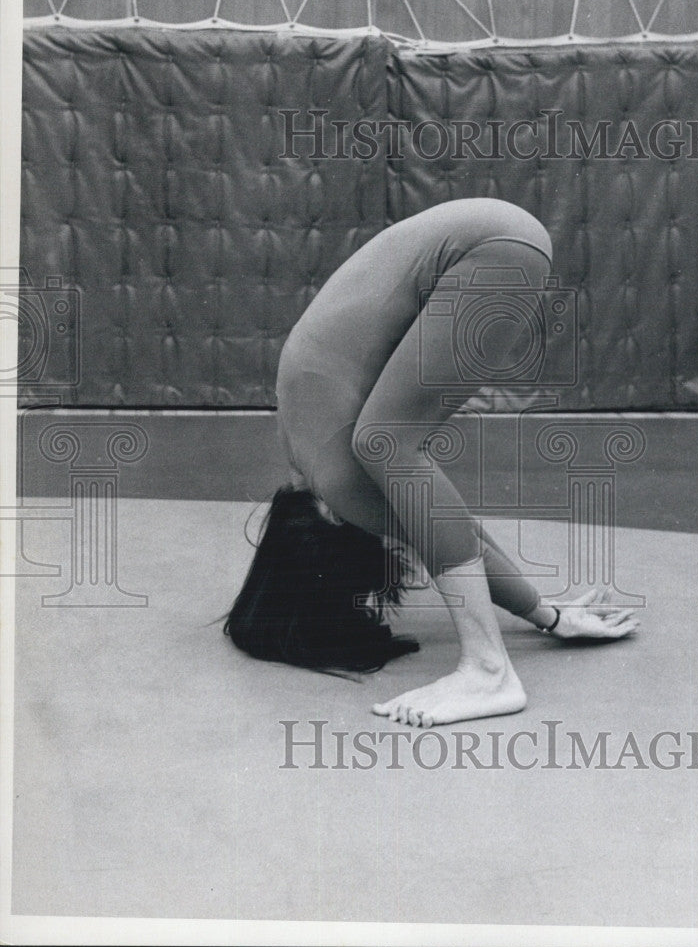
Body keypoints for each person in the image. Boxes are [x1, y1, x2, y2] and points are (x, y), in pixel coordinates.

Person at [225, 198, 640, 726]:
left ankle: (489, 671)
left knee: (386, 442)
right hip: (486, 237)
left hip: (489, 254)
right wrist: (548, 614)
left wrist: (544, 614)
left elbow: (446, 534)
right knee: (387, 441)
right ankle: (490, 665)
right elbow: (455, 533)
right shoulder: (301, 451)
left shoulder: (341, 488)